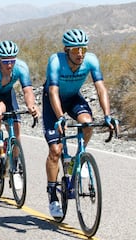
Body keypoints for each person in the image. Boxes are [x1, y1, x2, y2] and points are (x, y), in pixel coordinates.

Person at [42, 29, 118, 218]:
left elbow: (100, 89)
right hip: (53, 102)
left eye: (83, 49)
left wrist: (108, 115)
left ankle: (79, 159)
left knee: (87, 123)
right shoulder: (56, 61)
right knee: (56, 151)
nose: (80, 54)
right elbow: (52, 92)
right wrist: (60, 117)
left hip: (73, 99)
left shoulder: (91, 60)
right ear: (67, 50)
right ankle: (52, 195)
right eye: (76, 50)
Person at [0, 40, 39, 166]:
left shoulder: (21, 67)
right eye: (6, 61)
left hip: (8, 94)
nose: (10, 65)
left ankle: (15, 166)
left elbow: (28, 90)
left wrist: (31, 105)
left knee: (16, 132)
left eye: (12, 60)